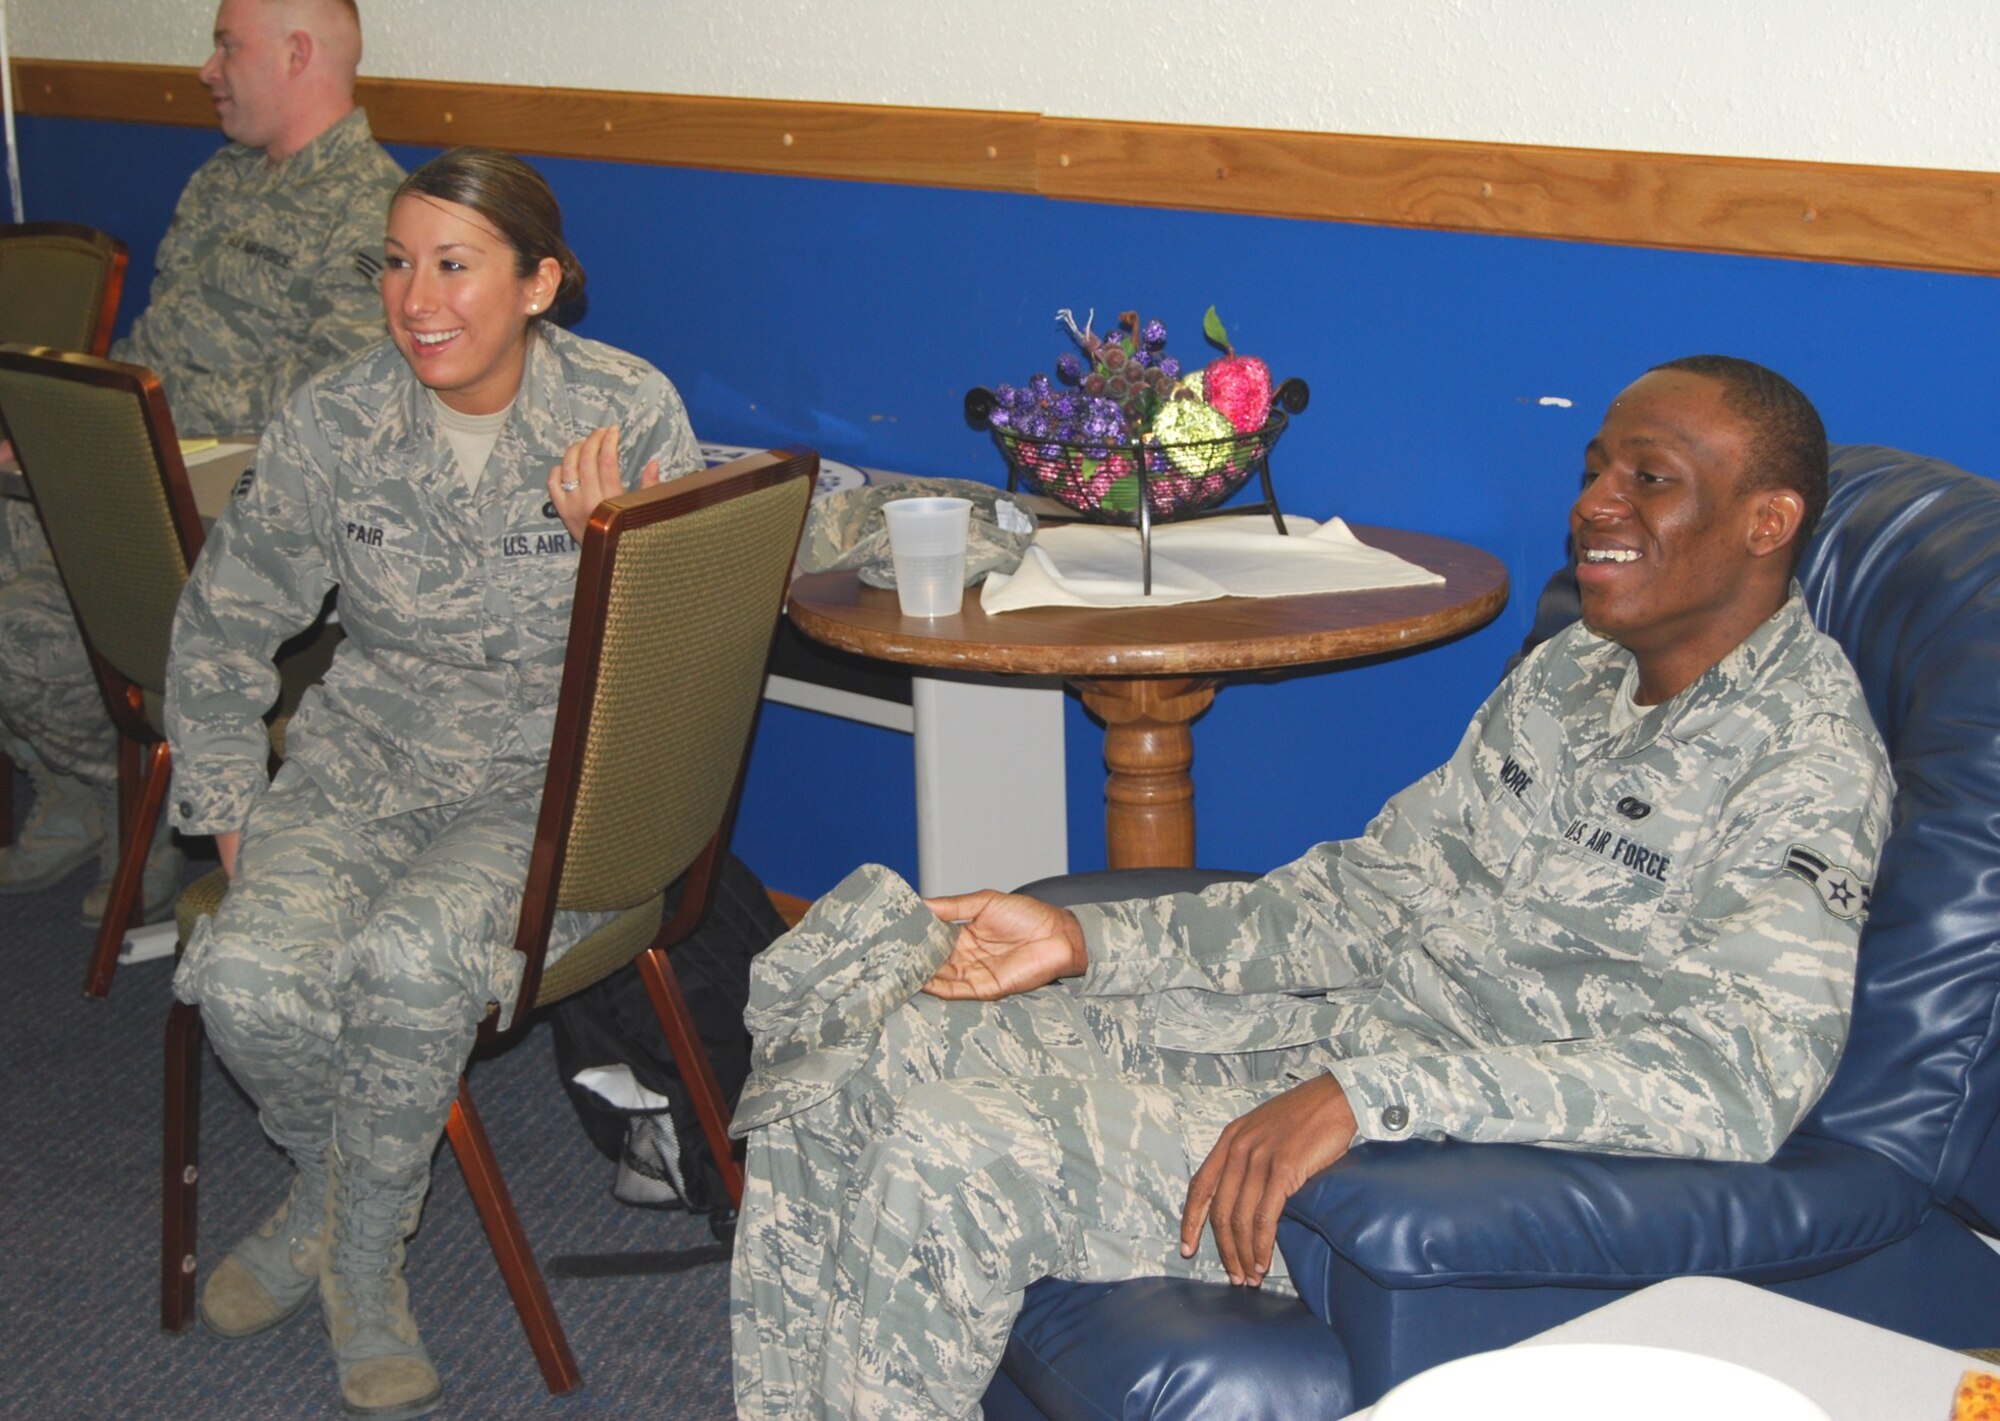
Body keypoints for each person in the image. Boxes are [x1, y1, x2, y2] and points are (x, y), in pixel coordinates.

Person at [729, 355, 1896, 1419]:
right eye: (1595, 468)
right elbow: (1366, 892)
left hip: (1446, 1154)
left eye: (1650, 478)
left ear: (1766, 521)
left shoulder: (1801, 762)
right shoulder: (1573, 673)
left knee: (949, 1144)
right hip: (1336, 1041)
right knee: (881, 1026)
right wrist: (1087, 942)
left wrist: (1368, 1094)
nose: (1595, 503)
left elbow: (1733, 1079)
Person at [165, 146, 702, 1420]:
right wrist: (231, 808)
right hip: (364, 757)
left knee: (407, 961)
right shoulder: (337, 417)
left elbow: (685, 676)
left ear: (537, 282)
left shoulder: (627, 415)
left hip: (545, 777)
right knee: (246, 979)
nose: (416, 300)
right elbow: (223, 624)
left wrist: (611, 549)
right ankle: (331, 1186)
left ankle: (360, 1265)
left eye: (454, 265)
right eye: (395, 264)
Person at [0, 0, 403, 925]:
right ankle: (73, 779)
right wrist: (67, 417)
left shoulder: (371, 206)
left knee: (24, 623)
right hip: (131, 459)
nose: (206, 69)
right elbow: (155, 340)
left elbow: (321, 396)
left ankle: (121, 795)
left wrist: (127, 418)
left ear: (297, 53)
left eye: (227, 45)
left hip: (234, 513)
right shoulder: (219, 181)